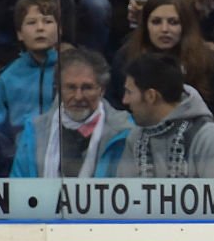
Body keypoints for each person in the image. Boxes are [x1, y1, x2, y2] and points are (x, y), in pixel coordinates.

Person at [10, 48, 131, 178]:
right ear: (58, 89)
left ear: (102, 90)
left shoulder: (125, 131)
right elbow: (18, 184)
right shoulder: (34, 131)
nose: (78, 97)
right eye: (71, 87)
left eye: (87, 88)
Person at [117, 52, 214, 177]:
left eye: (129, 92)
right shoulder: (136, 137)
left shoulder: (210, 138)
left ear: (151, 96)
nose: (125, 100)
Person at [112, 0, 214, 112]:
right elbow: (118, 108)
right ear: (145, 25)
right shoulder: (126, 58)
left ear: (185, 26)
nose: (164, 29)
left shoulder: (204, 61)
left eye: (173, 22)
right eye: (156, 22)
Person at [0, 0, 59, 135]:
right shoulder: (8, 77)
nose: (40, 28)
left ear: (60, 29)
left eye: (47, 21)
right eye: (31, 22)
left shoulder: (71, 71)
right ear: (19, 33)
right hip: (19, 152)